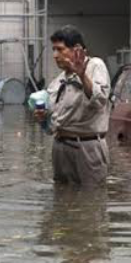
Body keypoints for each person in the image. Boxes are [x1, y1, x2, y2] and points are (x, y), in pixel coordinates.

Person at [35, 25, 111, 187]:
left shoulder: (95, 66)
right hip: (60, 147)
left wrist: (82, 75)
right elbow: (51, 126)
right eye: (53, 50)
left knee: (91, 202)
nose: (55, 55)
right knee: (61, 199)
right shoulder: (59, 80)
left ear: (76, 49)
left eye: (60, 50)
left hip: (87, 147)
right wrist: (42, 118)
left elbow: (100, 100)